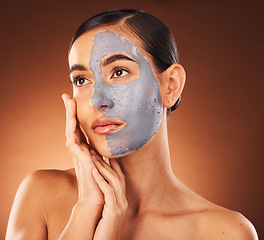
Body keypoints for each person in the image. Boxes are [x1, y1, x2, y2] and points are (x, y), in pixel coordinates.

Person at [5, 9, 258, 240]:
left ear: (170, 86)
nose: (97, 100)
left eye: (119, 72)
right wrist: (86, 209)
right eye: (81, 80)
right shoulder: (41, 195)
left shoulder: (225, 231)